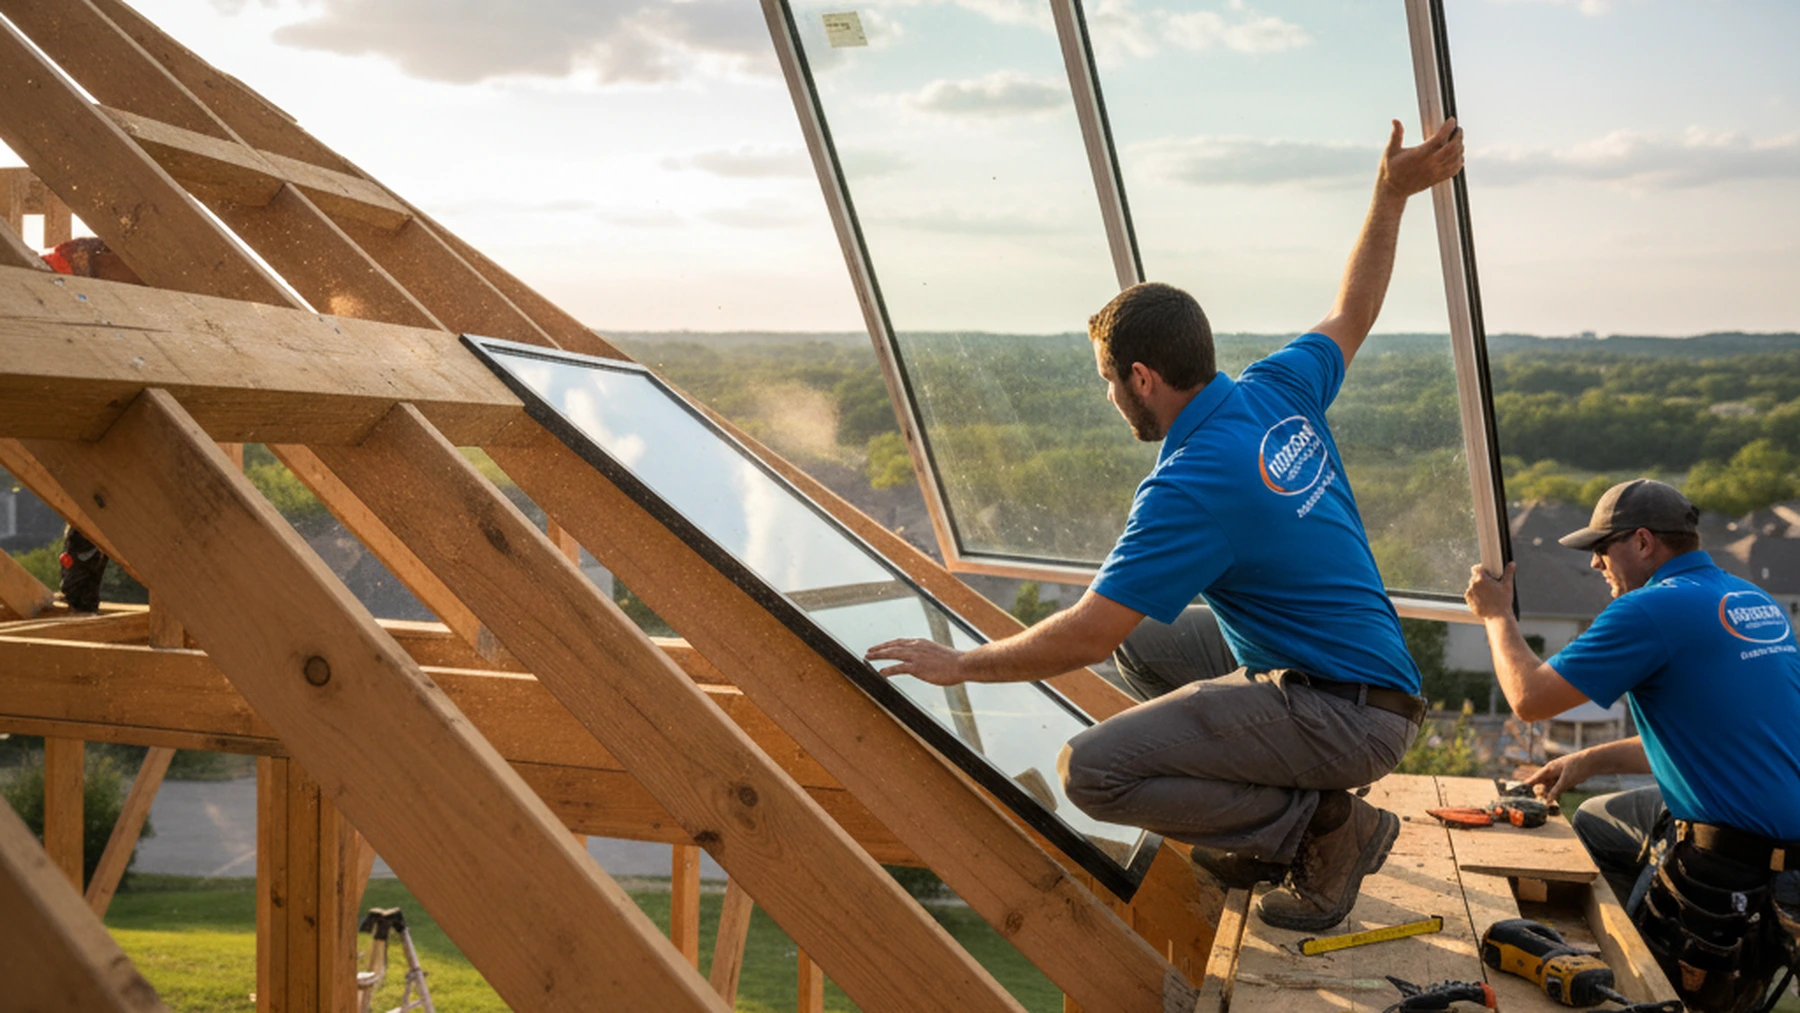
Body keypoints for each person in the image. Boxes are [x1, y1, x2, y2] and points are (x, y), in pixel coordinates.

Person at [866, 117, 1465, 931]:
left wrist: (960, 663)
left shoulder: (1189, 484)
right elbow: (1353, 309)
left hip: (1347, 716)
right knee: (1148, 646)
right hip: (1366, 673)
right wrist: (1389, 192)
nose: (1109, 397)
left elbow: (1083, 634)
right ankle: (1284, 808)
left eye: (1108, 380)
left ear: (1143, 378)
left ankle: (1324, 828)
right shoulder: (1274, 387)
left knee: (1093, 772)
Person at [1464, 479, 1800, 1013]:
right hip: (1779, 830)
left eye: (1602, 547)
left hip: (1735, 857)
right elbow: (1717, 740)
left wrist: (1496, 615)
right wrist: (1588, 759)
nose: (1595, 564)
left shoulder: (1651, 609)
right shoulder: (1749, 599)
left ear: (1643, 543)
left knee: (1652, 993)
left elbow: (1529, 698)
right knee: (1597, 817)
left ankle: (1634, 961)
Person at [42, 238, 142, 612]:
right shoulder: (59, 270)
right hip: (65, 383)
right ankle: (80, 586)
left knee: (104, 487)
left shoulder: (96, 277)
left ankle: (80, 589)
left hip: (90, 389)